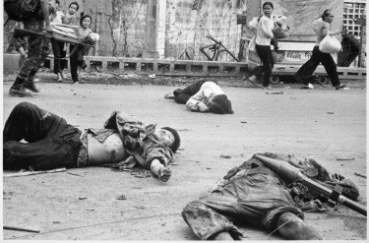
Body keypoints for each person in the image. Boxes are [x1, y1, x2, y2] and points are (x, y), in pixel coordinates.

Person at [182, 152, 361, 240]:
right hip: (245, 190)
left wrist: (332, 181)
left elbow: (349, 190)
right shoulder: (290, 164)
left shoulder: (295, 168)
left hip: (257, 186)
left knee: (289, 221)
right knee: (195, 208)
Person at [3, 102, 181, 182]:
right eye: (165, 131)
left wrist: (159, 170)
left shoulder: (152, 147)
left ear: (167, 147)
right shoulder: (137, 128)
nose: (164, 135)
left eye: (169, 138)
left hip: (70, 152)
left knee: (9, 150)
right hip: (69, 131)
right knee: (25, 110)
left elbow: (155, 160)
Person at [8, 0, 54, 97]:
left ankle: (29, 79)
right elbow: (44, 0)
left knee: (44, 50)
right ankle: (17, 86)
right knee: (36, 54)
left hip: (26, 16)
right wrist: (48, 23)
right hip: (37, 19)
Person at [294, 9, 348, 90]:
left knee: (311, 65)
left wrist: (337, 32)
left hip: (317, 48)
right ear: (325, 17)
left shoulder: (321, 23)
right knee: (331, 66)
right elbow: (323, 34)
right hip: (321, 49)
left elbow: (324, 34)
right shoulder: (326, 24)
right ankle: (337, 84)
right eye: (330, 16)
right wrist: (338, 32)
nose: (332, 18)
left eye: (333, 16)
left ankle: (302, 79)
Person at [246, 2, 275, 89]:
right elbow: (267, 33)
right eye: (265, 8)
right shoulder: (264, 19)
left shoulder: (270, 19)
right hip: (262, 45)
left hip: (264, 45)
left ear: (272, 9)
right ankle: (265, 84)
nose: (266, 10)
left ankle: (254, 77)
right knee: (269, 65)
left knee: (270, 64)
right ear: (263, 10)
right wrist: (274, 38)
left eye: (268, 8)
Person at [165, 80, 233, 114]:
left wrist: (206, 108)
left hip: (212, 84)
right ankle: (175, 93)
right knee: (179, 95)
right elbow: (190, 101)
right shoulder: (208, 92)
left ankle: (177, 95)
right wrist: (201, 106)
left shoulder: (223, 98)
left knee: (181, 98)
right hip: (200, 85)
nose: (208, 104)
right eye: (209, 103)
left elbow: (225, 108)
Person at [70, 14, 95, 84]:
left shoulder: (89, 31)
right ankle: (75, 80)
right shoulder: (77, 29)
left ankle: (83, 66)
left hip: (81, 48)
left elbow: (91, 42)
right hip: (74, 47)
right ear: (81, 21)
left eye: (88, 21)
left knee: (79, 59)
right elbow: (73, 37)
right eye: (85, 21)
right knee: (73, 64)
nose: (86, 23)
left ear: (90, 23)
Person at [50, 0, 67, 82]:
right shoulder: (49, 15)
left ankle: (61, 71)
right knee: (57, 56)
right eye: (53, 4)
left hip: (62, 37)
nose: (55, 5)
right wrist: (53, 14)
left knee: (63, 56)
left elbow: (66, 24)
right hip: (54, 38)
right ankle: (58, 74)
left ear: (58, 5)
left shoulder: (61, 14)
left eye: (56, 4)